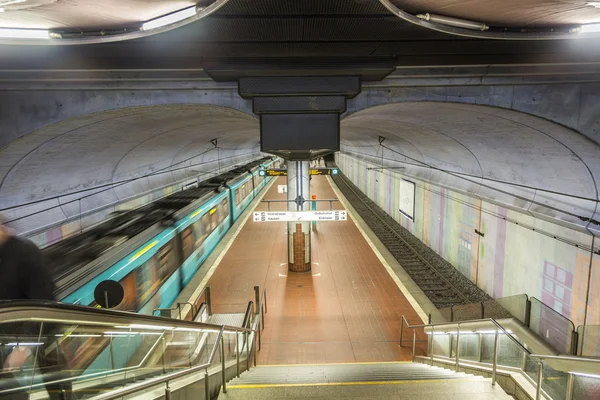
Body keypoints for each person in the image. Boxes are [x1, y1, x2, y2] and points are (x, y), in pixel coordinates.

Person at [0, 215, 72, 400]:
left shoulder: (25, 252)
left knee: (55, 378)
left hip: (42, 333)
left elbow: (44, 303)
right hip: (8, 335)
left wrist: (24, 348)